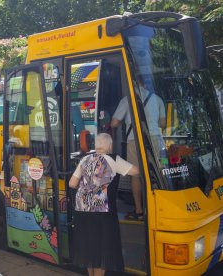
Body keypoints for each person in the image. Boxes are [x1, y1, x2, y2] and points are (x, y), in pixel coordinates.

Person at [69, 133, 139, 276]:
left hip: (82, 209)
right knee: (102, 249)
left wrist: (87, 191)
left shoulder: (85, 159)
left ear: (96, 145)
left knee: (88, 246)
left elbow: (72, 183)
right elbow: (137, 171)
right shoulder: (113, 159)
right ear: (110, 146)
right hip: (102, 212)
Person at [110, 77, 166, 220]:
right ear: (145, 84)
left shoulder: (127, 99)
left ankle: (140, 211)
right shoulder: (157, 99)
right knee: (157, 172)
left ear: (133, 82)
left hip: (135, 139)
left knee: (136, 174)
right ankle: (159, 209)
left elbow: (114, 123)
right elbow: (163, 123)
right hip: (155, 138)